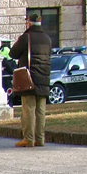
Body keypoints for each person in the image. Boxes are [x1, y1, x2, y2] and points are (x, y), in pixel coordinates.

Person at [9, 12, 52, 146]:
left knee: (28, 109)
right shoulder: (47, 39)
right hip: (44, 77)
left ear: (28, 22)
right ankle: (40, 138)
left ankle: (28, 138)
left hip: (29, 78)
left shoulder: (26, 38)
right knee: (40, 111)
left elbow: (13, 53)